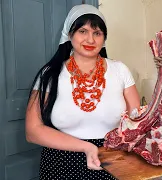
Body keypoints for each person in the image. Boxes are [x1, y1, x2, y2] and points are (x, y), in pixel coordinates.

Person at [25, 4, 140, 180]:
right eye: (82, 31)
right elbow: (33, 131)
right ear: (69, 34)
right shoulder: (49, 74)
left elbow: (136, 123)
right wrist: (86, 147)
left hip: (113, 161)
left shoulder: (120, 70)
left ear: (104, 38)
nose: (90, 40)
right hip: (60, 164)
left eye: (97, 33)